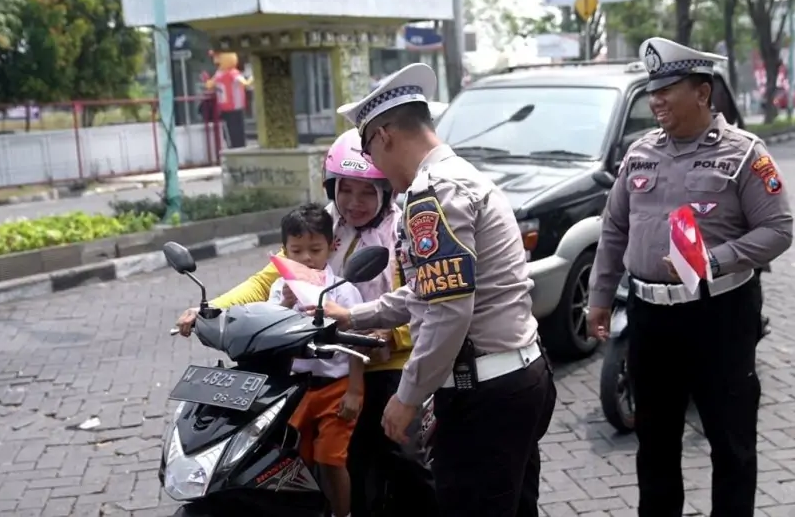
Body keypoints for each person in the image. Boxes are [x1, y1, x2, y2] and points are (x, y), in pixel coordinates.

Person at [314, 63, 557, 517]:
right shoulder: (460, 176)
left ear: (385, 135)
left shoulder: (434, 192)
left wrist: (406, 398)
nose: (377, 168)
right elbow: (430, 292)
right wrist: (355, 317)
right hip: (515, 377)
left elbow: (448, 313)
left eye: (370, 150)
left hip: (483, 393)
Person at [174, 130, 438, 517]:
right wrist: (210, 309)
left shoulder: (401, 233)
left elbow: (423, 299)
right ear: (332, 189)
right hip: (315, 357)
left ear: (386, 191)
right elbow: (268, 279)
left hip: (385, 361)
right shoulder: (322, 228)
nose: (355, 202)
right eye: (346, 190)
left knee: (401, 453)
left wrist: (389, 334)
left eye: (367, 192)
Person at [586, 37, 794, 517]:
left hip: (719, 316)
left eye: (668, 89)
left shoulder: (744, 154)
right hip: (649, 317)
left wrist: (714, 261)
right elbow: (615, 226)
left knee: (731, 442)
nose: (655, 100)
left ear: (702, 93)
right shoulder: (640, 154)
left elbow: (778, 230)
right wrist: (600, 295)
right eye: (652, 91)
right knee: (655, 443)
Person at [268, 203, 364, 517]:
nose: (307, 258)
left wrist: (355, 391)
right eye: (297, 250)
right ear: (284, 251)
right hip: (295, 388)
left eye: (315, 249)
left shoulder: (343, 291)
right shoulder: (279, 289)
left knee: (330, 458)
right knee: (298, 458)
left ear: (330, 247)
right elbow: (269, 332)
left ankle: (342, 513)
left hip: (335, 387)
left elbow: (357, 345)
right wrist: (284, 304)